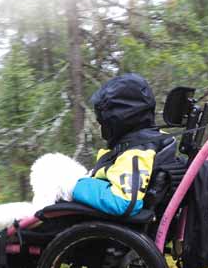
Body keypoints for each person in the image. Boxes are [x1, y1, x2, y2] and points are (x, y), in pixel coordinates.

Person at [72, 73, 175, 216]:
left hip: (106, 229)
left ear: (114, 120)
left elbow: (124, 202)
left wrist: (73, 186)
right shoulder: (151, 140)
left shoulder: (137, 152)